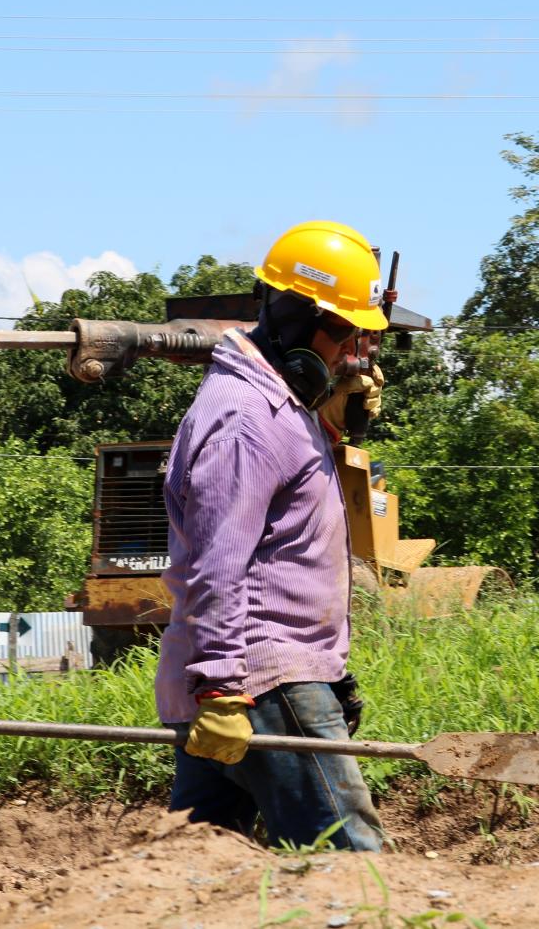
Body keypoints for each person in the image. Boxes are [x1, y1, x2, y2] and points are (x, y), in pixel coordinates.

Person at [156, 220, 388, 851]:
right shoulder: (245, 422)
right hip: (262, 679)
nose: (354, 352)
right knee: (353, 863)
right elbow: (218, 565)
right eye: (345, 333)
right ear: (292, 316)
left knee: (198, 868)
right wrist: (224, 688)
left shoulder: (281, 404)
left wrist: (336, 419)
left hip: (261, 675)